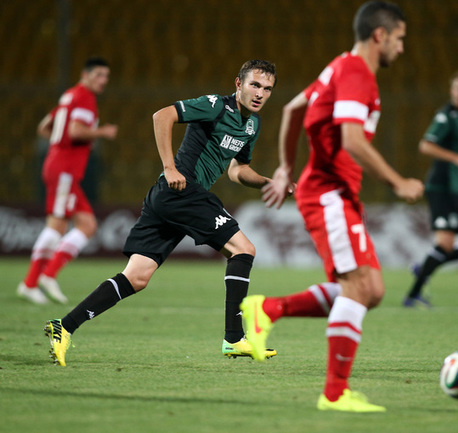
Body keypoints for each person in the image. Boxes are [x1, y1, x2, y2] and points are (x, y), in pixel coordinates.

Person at [240, 2, 424, 413]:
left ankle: (268, 309)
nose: (401, 47)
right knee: (359, 287)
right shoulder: (357, 73)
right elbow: (353, 140)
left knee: (371, 289)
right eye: (399, 39)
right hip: (329, 193)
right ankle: (336, 394)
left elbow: (293, 109)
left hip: (335, 194)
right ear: (380, 35)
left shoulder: (338, 67)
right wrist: (398, 182)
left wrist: (287, 168)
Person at [44, 59, 281, 366]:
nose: (260, 93)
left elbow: (238, 170)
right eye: (254, 85)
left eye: (267, 89)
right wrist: (170, 167)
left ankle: (64, 326)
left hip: (170, 198)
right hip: (181, 190)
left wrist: (267, 183)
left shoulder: (252, 125)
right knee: (244, 250)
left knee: (137, 277)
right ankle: (234, 339)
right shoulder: (215, 106)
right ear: (239, 84)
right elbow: (162, 115)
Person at [17, 57, 118, 305]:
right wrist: (102, 132)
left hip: (60, 166)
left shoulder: (69, 95)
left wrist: (59, 144)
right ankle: (36, 280)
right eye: (98, 75)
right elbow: (75, 131)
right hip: (65, 169)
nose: (103, 80)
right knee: (57, 225)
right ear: (85, 75)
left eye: (106, 76)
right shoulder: (85, 97)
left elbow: (44, 127)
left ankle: (40, 279)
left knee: (87, 225)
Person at [403, 70, 458, 307]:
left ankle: (426, 266)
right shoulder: (445, 116)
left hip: (456, 187)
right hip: (440, 188)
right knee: (445, 245)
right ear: (452, 91)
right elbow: (425, 145)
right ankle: (412, 295)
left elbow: (457, 155)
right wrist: (456, 159)